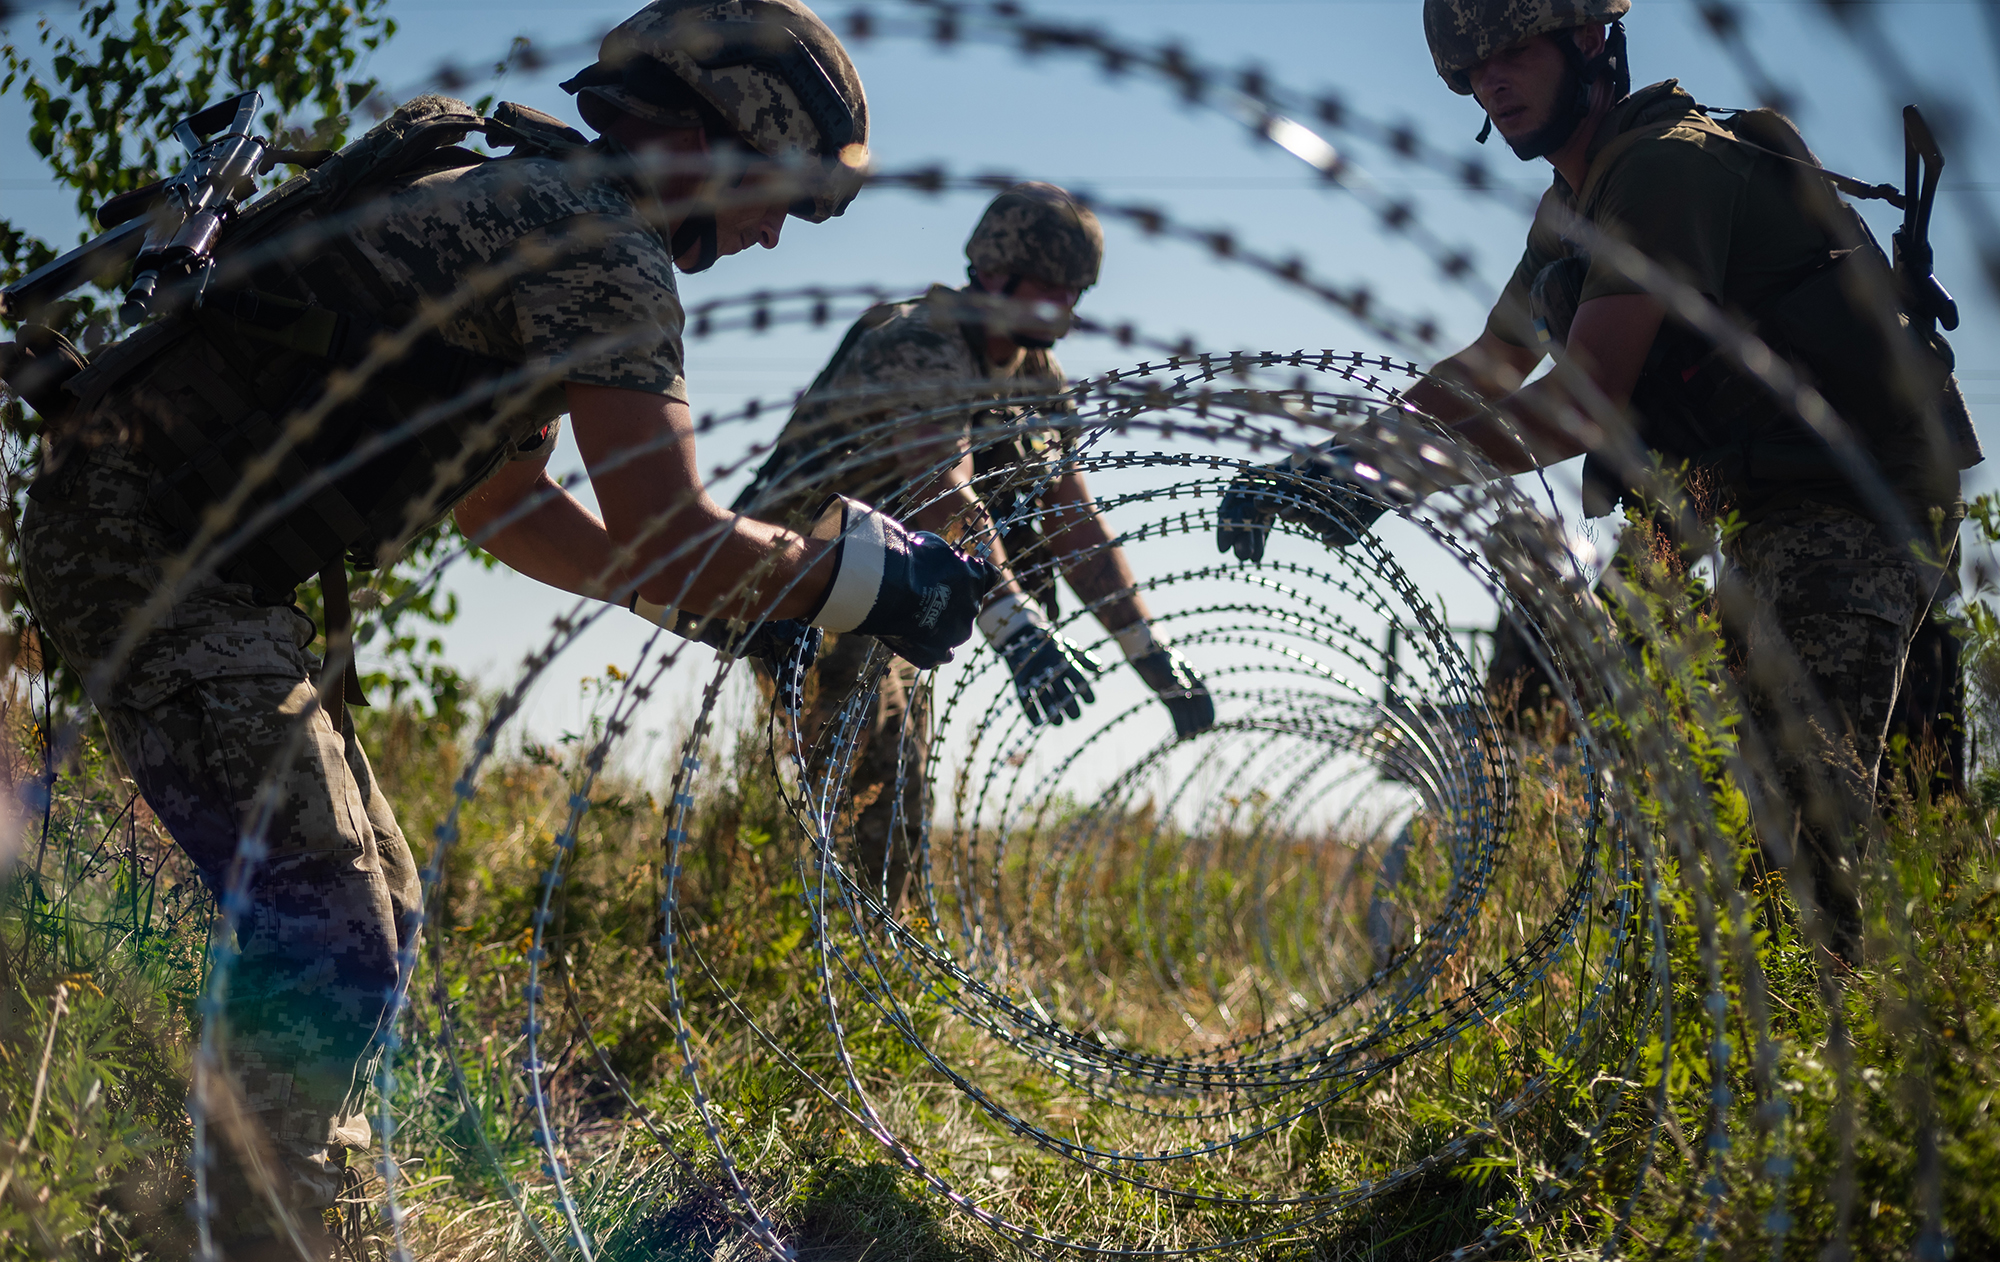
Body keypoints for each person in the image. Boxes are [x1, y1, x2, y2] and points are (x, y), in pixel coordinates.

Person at [10, 2, 993, 1254]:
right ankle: (238, 1228)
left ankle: (241, 1197)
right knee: (328, 919)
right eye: (774, 197)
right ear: (705, 136)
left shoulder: (532, 193)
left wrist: (718, 602)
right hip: (150, 547)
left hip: (165, 538)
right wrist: (865, 581)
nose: (764, 235)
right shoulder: (600, 247)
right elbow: (669, 526)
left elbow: (509, 503)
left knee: (378, 902)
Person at [1217, 0, 1977, 967]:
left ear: (1587, 42)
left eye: (1512, 51)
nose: (1491, 79)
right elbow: (1492, 364)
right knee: (1715, 786)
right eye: (1470, 68)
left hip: (1857, 494)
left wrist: (1391, 482)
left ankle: (1857, 1053)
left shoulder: (1663, 167)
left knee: (1800, 807)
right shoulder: (1576, 203)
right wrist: (1337, 463)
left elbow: (1585, 406)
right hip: (1752, 498)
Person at [736, 183, 1214, 907]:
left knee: (894, 778)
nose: (1064, 309)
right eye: (1049, 289)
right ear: (992, 272)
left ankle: (871, 948)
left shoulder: (1036, 378)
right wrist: (1019, 630)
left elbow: (1073, 522)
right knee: (879, 775)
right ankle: (851, 959)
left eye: (1074, 291)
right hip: (801, 579)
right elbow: (944, 492)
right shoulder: (919, 342)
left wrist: (1148, 654)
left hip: (888, 591)